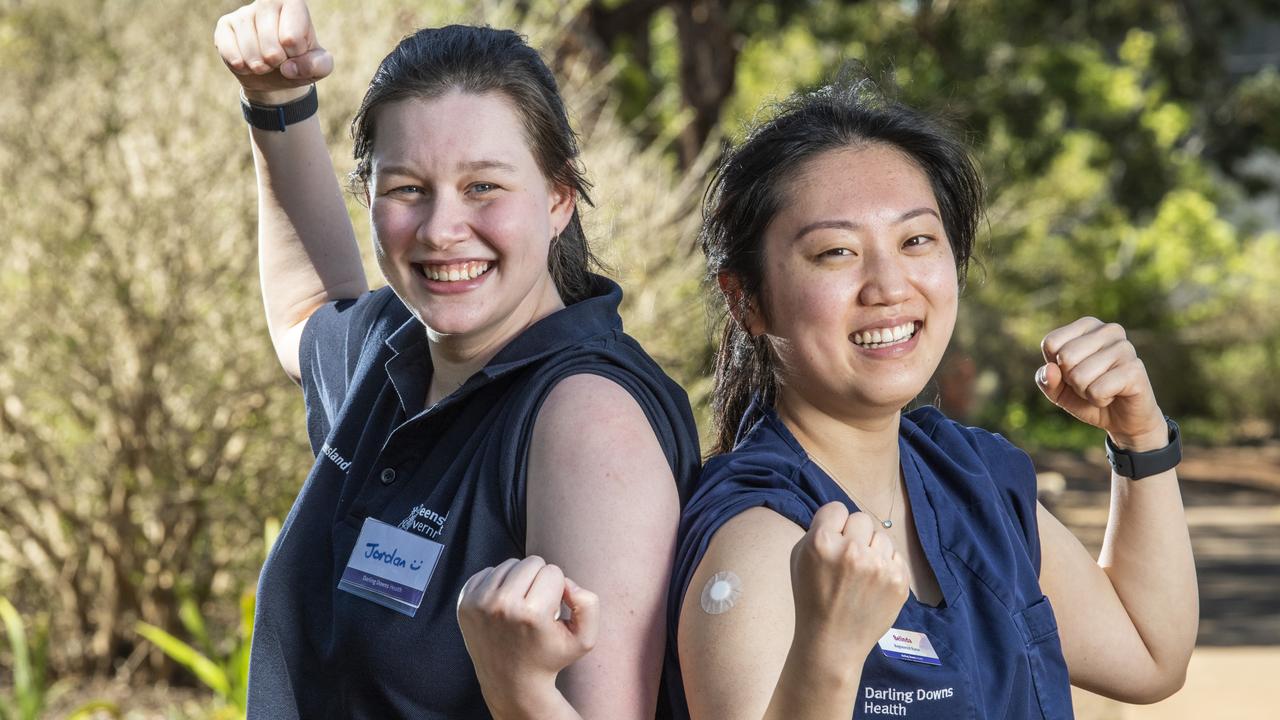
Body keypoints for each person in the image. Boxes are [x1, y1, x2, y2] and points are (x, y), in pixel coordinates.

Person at [212, 1, 700, 717]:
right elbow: (303, 310)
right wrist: (276, 104)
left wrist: (519, 687)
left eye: (483, 187)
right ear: (370, 199)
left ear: (559, 198)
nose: (442, 229)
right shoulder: (395, 348)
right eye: (408, 188)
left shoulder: (589, 424)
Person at [663, 77, 1198, 719]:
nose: (889, 285)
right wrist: (828, 651)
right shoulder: (756, 541)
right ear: (746, 300)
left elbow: (1149, 654)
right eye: (836, 252)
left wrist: (1138, 440)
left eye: (916, 240)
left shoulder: (971, 480)